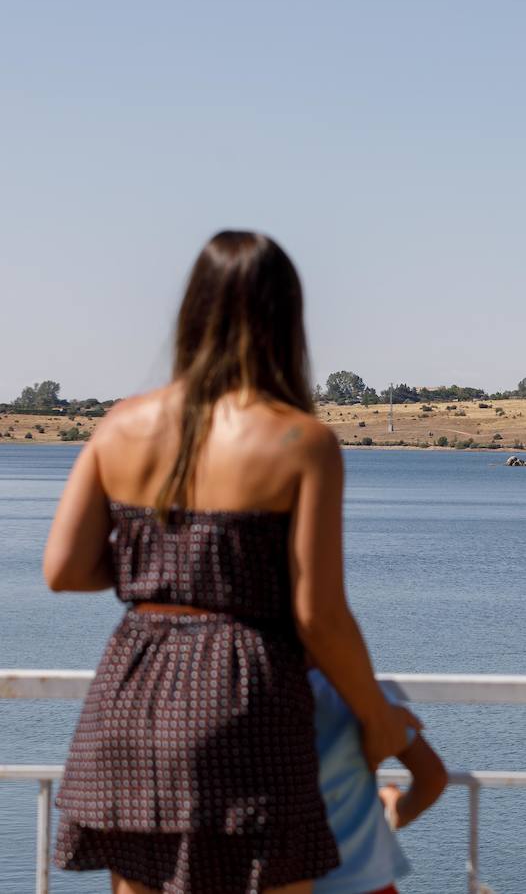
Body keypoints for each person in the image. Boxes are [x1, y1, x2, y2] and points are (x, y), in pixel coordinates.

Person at [44, 231, 419, 893]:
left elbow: (65, 569)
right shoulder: (303, 441)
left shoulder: (119, 426)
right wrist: (379, 717)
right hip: (247, 698)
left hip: (132, 694)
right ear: (285, 318)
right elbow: (319, 614)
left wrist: (163, 571)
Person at [310, 666, 447, 894]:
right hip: (362, 878)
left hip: (273, 877)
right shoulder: (357, 695)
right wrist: (398, 809)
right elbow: (432, 777)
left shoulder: (243, 692)